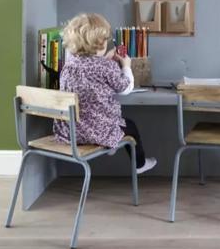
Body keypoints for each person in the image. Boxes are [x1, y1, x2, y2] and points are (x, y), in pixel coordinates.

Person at [54, 13, 156, 174]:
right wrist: (126, 66)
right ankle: (140, 164)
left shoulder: (69, 64)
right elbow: (125, 88)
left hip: (71, 132)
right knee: (130, 126)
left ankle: (111, 142)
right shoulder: (106, 67)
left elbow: (90, 75)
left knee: (112, 122)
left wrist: (106, 61)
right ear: (100, 44)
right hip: (98, 131)